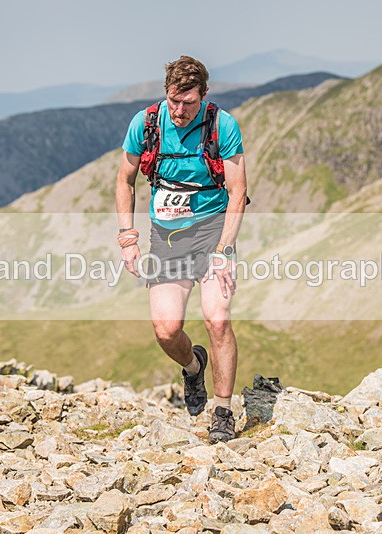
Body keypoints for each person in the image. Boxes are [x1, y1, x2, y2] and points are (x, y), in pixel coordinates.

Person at [115, 55, 248, 443]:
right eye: (173, 100)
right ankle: (193, 367)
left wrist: (225, 249)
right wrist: (128, 237)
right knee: (166, 329)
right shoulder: (146, 124)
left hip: (211, 233)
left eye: (189, 103)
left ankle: (222, 410)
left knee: (217, 319)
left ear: (204, 96)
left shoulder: (223, 125)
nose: (179, 111)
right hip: (167, 237)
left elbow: (238, 192)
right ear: (166, 93)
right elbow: (125, 181)